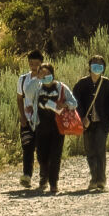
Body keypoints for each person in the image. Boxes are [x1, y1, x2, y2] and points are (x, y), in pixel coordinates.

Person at [73, 54, 109, 192]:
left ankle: (101, 180)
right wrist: (82, 118)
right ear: (89, 66)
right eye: (94, 64)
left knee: (100, 150)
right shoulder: (81, 84)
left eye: (100, 65)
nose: (97, 67)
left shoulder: (108, 84)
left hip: (102, 123)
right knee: (90, 151)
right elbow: (76, 102)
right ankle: (94, 178)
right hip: (87, 124)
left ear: (104, 68)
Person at [29, 62, 77, 194]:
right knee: (41, 155)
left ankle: (53, 183)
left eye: (47, 73)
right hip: (41, 127)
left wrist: (65, 104)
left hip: (57, 127)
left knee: (55, 156)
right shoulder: (38, 89)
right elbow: (28, 95)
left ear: (52, 73)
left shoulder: (61, 88)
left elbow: (74, 103)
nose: (45, 76)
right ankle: (44, 175)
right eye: (42, 74)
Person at [15, 49, 47, 189]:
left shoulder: (45, 80)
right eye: (31, 63)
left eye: (36, 63)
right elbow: (19, 98)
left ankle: (44, 177)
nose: (33, 66)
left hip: (41, 120)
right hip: (27, 120)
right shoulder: (23, 79)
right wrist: (22, 116)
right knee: (27, 148)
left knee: (42, 149)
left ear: (41, 64)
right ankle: (27, 176)